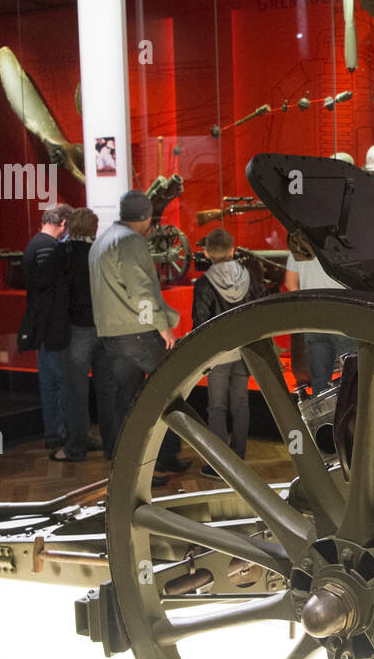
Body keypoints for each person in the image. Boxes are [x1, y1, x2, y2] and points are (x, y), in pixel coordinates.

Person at [89, 189, 187, 476]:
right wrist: (163, 326)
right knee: (168, 391)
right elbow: (141, 293)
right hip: (139, 333)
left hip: (112, 334)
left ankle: (131, 471)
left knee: (127, 401)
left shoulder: (102, 241)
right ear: (146, 217)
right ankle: (164, 457)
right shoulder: (130, 242)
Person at [192, 229, 262, 476]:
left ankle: (219, 463)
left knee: (217, 407)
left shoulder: (203, 283)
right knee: (241, 405)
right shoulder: (250, 276)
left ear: (207, 252)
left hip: (218, 355)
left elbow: (200, 322)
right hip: (244, 351)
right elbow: (259, 314)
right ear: (233, 249)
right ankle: (239, 455)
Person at [57, 207, 115, 462]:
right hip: (104, 326)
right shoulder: (103, 252)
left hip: (77, 327)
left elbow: (60, 293)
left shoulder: (64, 253)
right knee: (107, 390)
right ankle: (113, 447)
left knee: (76, 391)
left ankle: (76, 447)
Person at [21, 205, 73, 448]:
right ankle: (61, 433)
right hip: (52, 325)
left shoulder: (36, 244)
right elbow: (48, 285)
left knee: (49, 382)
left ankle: (54, 433)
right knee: (60, 382)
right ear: (63, 223)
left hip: (42, 324)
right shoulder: (48, 247)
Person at [282, 233, 353, 395]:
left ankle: (323, 417)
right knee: (353, 371)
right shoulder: (339, 243)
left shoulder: (298, 247)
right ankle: (351, 413)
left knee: (319, 377)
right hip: (342, 313)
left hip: (313, 317)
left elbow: (290, 283)